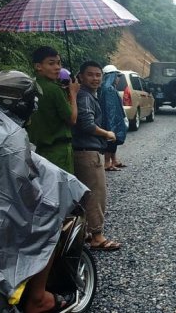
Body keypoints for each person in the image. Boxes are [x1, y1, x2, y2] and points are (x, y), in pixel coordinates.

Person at [0, 70, 87, 313]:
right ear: (25, 104)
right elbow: (21, 183)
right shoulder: (12, 135)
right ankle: (37, 297)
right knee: (46, 214)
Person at [72, 61, 121, 251]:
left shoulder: (88, 94)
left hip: (86, 151)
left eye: (98, 75)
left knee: (86, 194)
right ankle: (97, 237)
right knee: (95, 195)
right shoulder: (84, 96)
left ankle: (85, 232)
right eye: (90, 75)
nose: (95, 78)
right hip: (87, 152)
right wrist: (107, 134)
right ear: (81, 77)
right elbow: (86, 125)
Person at [27, 46, 80, 173]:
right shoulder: (54, 90)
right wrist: (73, 93)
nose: (57, 67)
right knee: (62, 190)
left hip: (35, 151)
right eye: (51, 63)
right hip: (58, 152)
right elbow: (72, 119)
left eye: (59, 63)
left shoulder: (30, 86)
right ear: (38, 66)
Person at [100, 65, 128, 172]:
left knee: (113, 140)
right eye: (117, 76)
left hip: (112, 120)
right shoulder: (109, 90)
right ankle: (107, 163)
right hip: (110, 121)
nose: (118, 79)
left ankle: (114, 160)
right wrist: (111, 125)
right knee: (110, 140)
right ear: (111, 76)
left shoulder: (108, 88)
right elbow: (110, 110)